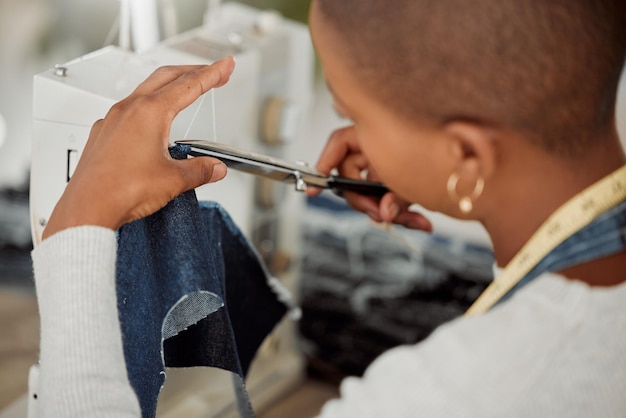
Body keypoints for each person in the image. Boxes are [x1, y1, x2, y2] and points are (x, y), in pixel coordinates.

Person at [32, 0, 626, 416]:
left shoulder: (455, 396)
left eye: (357, 112)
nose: (350, 133)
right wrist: (455, 180)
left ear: (467, 153)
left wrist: (80, 220)